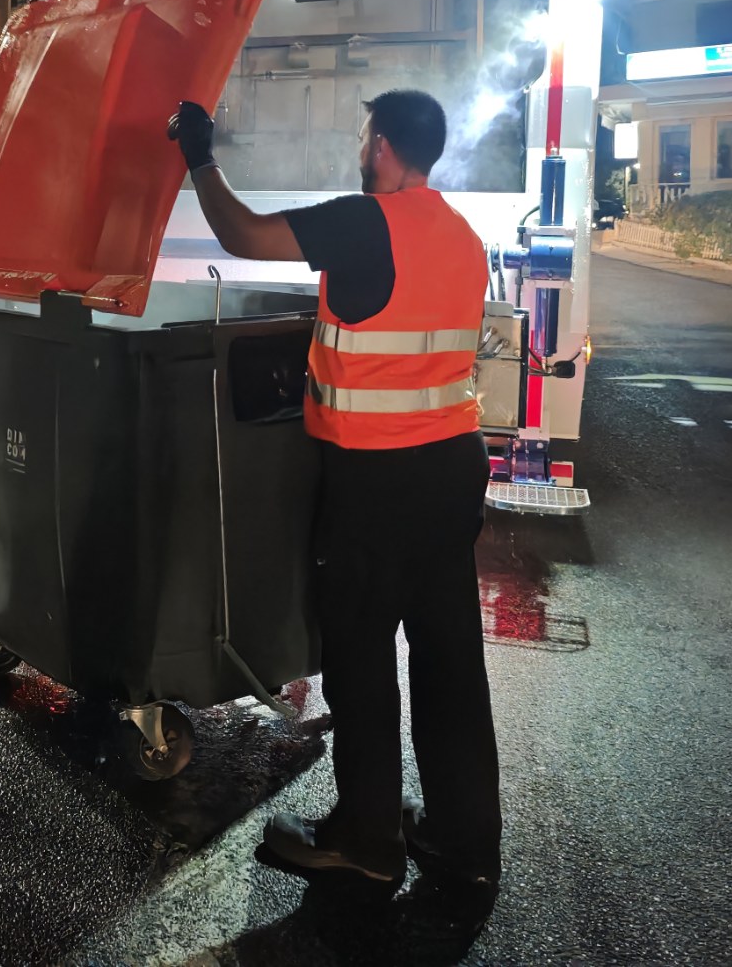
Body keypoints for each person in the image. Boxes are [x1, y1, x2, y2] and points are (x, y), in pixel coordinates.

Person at [169, 90, 501, 936]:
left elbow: (243, 235)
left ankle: (365, 842)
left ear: (382, 146)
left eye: (363, 136)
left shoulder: (365, 221)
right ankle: (464, 841)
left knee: (359, 655)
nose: (359, 149)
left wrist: (198, 155)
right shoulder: (462, 236)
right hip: (452, 468)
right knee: (450, 661)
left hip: (377, 478)